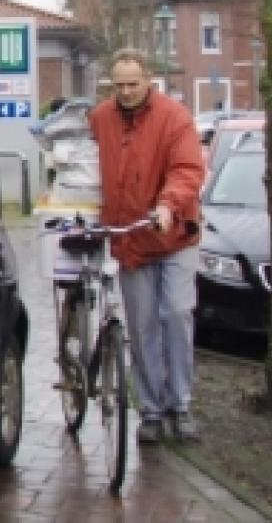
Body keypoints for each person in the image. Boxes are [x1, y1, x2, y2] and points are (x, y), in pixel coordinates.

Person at [88, 48, 204, 444]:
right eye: (119, 85)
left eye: (133, 84)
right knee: (142, 325)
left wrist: (168, 205)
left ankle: (181, 404)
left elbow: (187, 170)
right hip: (131, 238)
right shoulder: (101, 118)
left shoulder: (174, 117)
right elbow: (85, 161)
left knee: (177, 312)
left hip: (174, 236)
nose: (126, 92)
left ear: (148, 80)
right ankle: (152, 409)